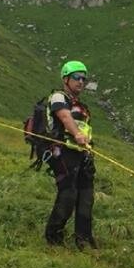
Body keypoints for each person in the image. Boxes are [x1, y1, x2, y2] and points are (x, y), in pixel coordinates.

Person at [45, 60, 96, 249]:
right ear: (66, 79)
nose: (81, 82)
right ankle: (53, 236)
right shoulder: (58, 97)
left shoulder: (82, 107)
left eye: (84, 78)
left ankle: (84, 239)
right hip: (63, 152)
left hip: (82, 154)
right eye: (77, 77)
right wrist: (77, 135)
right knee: (68, 194)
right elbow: (64, 117)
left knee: (86, 196)